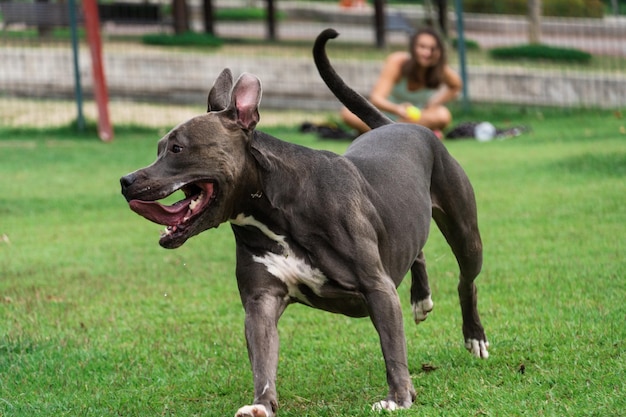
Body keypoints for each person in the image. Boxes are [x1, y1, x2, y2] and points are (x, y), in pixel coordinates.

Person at [340, 27, 462, 137]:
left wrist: (433, 103)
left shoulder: (439, 68)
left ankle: (384, 134)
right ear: (413, 48)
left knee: (443, 115)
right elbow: (376, 98)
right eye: (422, 47)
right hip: (386, 114)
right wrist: (397, 109)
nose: (427, 53)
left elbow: (456, 85)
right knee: (348, 113)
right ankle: (399, 133)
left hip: (415, 119)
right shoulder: (397, 62)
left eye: (432, 48)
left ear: (439, 52)